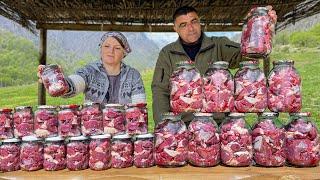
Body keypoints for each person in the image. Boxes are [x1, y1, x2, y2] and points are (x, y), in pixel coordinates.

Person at [151, 6, 243, 125]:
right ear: (175, 28)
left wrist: (263, 27)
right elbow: (160, 90)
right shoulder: (167, 53)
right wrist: (164, 125)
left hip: (219, 123)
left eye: (193, 22)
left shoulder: (219, 45)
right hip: (183, 125)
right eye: (183, 25)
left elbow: (249, 53)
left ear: (200, 22)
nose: (190, 28)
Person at [39, 32, 146, 104]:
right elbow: (77, 81)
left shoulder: (133, 75)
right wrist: (61, 83)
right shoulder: (90, 71)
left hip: (125, 132)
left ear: (124, 53)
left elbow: (139, 106)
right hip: (93, 130)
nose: (111, 51)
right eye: (107, 46)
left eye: (117, 48)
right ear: (101, 49)